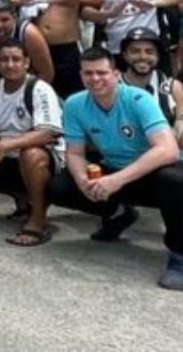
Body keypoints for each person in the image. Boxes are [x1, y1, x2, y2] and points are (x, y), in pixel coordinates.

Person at [46, 47, 183, 290]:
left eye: (102, 73)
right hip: (115, 170)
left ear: (116, 74)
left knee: (173, 180)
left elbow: (168, 149)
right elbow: (75, 153)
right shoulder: (75, 104)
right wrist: (83, 181)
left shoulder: (139, 99)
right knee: (60, 186)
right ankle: (117, 213)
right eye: (89, 73)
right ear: (81, 75)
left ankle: (179, 256)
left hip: (151, 172)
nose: (95, 79)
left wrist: (116, 181)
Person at [0, 41, 65, 247]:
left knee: (31, 155)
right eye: (4, 59)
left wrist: (5, 145)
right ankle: (23, 203)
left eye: (16, 59)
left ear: (27, 63)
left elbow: (48, 133)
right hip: (11, 156)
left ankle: (38, 219)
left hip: (48, 158)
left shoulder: (40, 89)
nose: (10, 64)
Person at [119, 29, 182, 141]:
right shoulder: (113, 87)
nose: (142, 56)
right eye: (135, 51)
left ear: (158, 56)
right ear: (125, 55)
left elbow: (181, 126)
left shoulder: (173, 87)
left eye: (149, 52)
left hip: (168, 152)